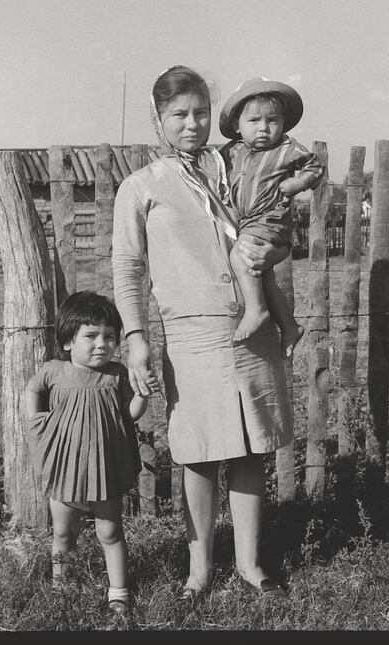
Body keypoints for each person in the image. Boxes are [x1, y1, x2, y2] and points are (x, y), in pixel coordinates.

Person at [112, 65, 292, 602]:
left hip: (250, 328)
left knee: (251, 448)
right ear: (158, 119)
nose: (192, 125)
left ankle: (251, 565)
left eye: (200, 113)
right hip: (191, 335)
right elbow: (127, 270)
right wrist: (137, 337)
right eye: (179, 115)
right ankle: (199, 569)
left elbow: (275, 232)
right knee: (199, 452)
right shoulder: (141, 187)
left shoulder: (235, 168)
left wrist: (272, 250)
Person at [23, 291, 147, 629]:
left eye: (109, 336)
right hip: (66, 469)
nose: (101, 344)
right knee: (64, 533)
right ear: (67, 342)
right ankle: (63, 590)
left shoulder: (117, 374)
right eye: (91, 336)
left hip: (105, 471)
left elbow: (130, 416)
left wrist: (143, 396)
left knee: (111, 531)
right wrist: (35, 422)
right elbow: (31, 391)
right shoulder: (54, 371)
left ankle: (119, 594)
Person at [219, 77, 325, 354]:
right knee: (263, 276)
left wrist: (299, 183)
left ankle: (256, 310)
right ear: (236, 125)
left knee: (239, 257)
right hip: (245, 222)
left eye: (272, 120)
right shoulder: (231, 151)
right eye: (254, 121)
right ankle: (289, 325)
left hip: (270, 218)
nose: (264, 128)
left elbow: (315, 166)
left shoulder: (287, 148)